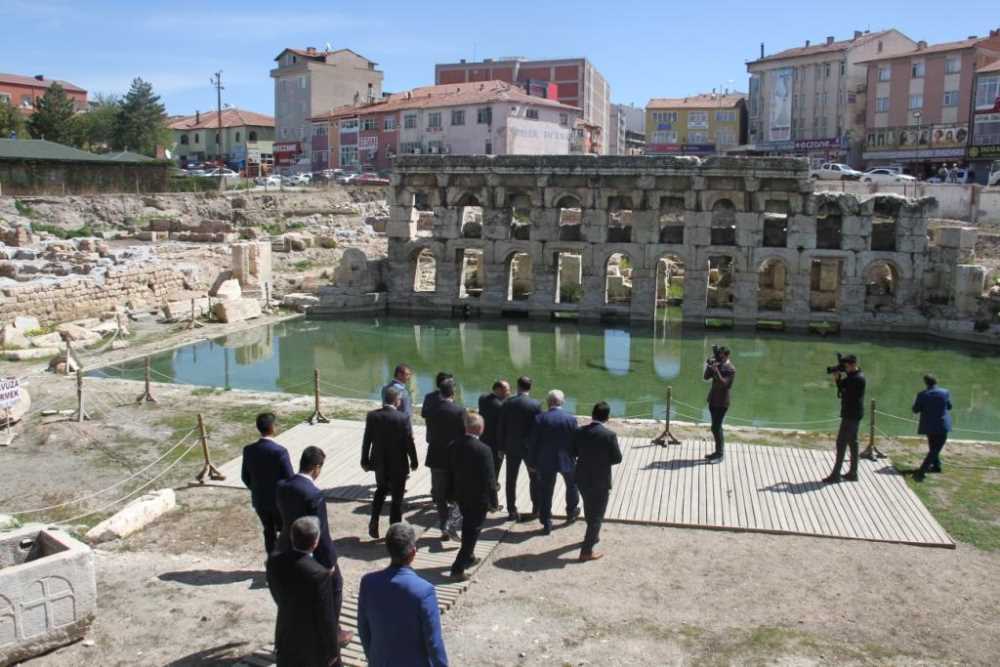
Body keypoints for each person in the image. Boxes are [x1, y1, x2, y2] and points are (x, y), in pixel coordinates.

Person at [275, 447, 349, 650]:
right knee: (335, 587)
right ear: (316, 467)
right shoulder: (314, 494)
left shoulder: (283, 486)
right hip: (312, 549)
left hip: (288, 545)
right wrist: (330, 561)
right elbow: (321, 532)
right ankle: (333, 632)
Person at [358, 522, 449, 667]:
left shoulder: (368, 582)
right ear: (413, 552)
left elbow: (363, 628)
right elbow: (434, 642)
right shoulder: (425, 591)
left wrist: (374, 659)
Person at [267, 517, 345, 667]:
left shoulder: (274, 561)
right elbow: (326, 617)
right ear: (315, 542)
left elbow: (275, 592)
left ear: (291, 537)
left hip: (286, 633)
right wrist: (333, 651)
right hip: (312, 645)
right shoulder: (320, 574)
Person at [362, 386, 419, 539]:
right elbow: (409, 442)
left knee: (380, 490)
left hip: (379, 462)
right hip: (398, 463)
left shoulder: (372, 416)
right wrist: (414, 460)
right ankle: (394, 532)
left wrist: (364, 460)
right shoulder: (402, 418)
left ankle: (374, 520)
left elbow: (367, 439)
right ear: (396, 401)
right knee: (397, 498)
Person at [570, 401, 623, 562]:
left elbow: (572, 451)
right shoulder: (609, 435)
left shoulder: (579, 431)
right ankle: (586, 551)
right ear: (607, 418)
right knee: (597, 516)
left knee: (589, 507)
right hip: (600, 479)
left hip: (582, 476)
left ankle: (592, 536)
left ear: (592, 415)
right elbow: (617, 458)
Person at [447, 413, 497, 579]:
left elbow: (449, 472)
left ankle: (469, 556)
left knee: (469, 526)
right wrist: (494, 501)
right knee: (472, 531)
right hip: (478, 497)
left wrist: (449, 494)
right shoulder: (484, 450)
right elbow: (490, 479)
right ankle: (458, 568)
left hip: (460, 494)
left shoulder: (453, 444)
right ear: (481, 429)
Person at [526, 389, 580, 535]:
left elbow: (533, 444)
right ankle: (571, 512)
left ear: (548, 402)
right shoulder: (571, 419)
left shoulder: (540, 419)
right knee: (572, 486)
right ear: (562, 402)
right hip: (567, 459)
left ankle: (546, 522)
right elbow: (576, 441)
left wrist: (531, 463)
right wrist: (575, 456)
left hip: (545, 460)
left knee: (546, 491)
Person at [241, 412, 294, 558]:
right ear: (272, 427)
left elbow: (245, 477)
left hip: (260, 500)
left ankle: (272, 561)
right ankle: (286, 561)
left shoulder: (248, 450)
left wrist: (257, 489)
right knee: (285, 531)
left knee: (268, 531)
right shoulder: (280, 452)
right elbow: (289, 478)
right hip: (279, 502)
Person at [423, 378, 467, 540]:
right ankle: (452, 524)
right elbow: (465, 434)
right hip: (454, 457)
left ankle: (443, 526)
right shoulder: (459, 410)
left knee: (440, 495)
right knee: (457, 494)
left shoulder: (431, 409)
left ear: (439, 392)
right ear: (453, 392)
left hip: (436, 456)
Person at [496, 376, 542, 522]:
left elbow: (501, 427)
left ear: (517, 386)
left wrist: (501, 447)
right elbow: (538, 429)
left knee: (511, 479)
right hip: (529, 449)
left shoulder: (508, 402)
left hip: (511, 446)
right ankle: (536, 508)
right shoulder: (536, 404)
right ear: (530, 387)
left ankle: (511, 510)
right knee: (534, 478)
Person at [824, 354, 866, 483]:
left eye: (846, 366)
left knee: (841, 443)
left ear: (852, 365)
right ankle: (853, 473)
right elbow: (844, 388)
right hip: (853, 413)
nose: (845, 369)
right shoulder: (856, 375)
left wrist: (837, 378)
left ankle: (836, 475)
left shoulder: (856, 379)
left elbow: (842, 389)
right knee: (853, 442)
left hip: (851, 415)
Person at [912, 374, 953, 482]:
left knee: (934, 448)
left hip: (929, 425)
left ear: (925, 383)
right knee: (935, 449)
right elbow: (949, 406)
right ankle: (929, 469)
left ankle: (929, 469)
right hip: (942, 424)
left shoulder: (922, 394)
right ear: (936, 381)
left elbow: (915, 410)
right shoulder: (945, 392)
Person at [478, 379, 511, 511]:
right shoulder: (501, 406)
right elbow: (502, 429)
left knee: (484, 472)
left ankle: (484, 499)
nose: (508, 392)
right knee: (493, 474)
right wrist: (502, 448)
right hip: (495, 445)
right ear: (497, 389)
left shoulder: (482, 399)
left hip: (483, 440)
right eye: (506, 390)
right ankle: (492, 504)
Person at [703, 346, 735, 462]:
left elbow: (725, 384)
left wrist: (716, 369)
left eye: (721, 355)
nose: (719, 357)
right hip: (713, 400)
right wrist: (709, 366)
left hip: (722, 403)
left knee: (716, 427)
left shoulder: (731, 369)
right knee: (715, 427)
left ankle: (720, 454)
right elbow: (706, 377)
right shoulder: (719, 364)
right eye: (718, 355)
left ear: (727, 355)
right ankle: (717, 452)